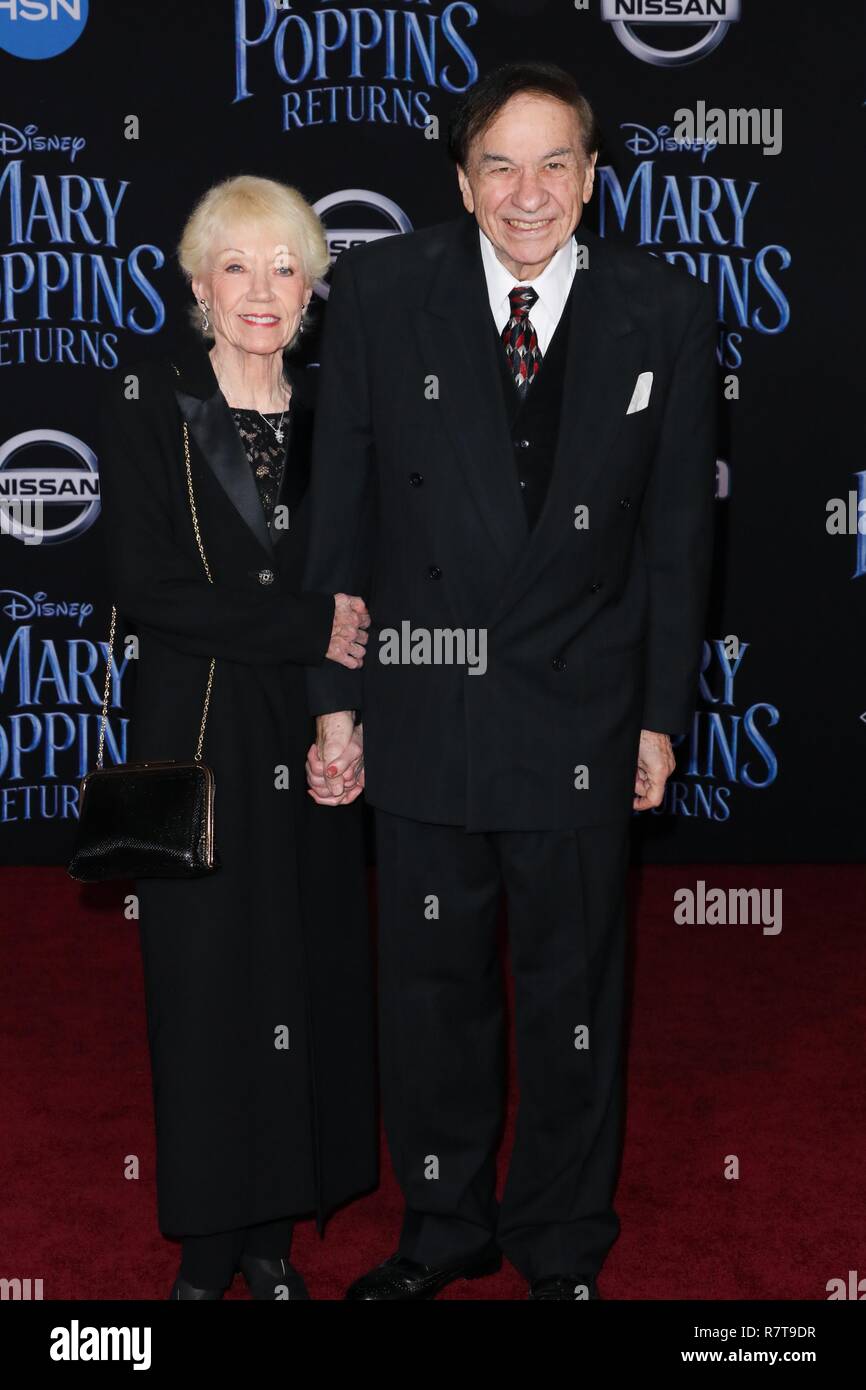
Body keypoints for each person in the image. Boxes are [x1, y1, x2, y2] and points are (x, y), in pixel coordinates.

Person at [303, 63, 717, 1300]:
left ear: (593, 177)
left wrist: (658, 715)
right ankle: (440, 1226)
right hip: (428, 699)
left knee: (571, 992)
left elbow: (678, 541)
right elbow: (344, 511)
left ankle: (557, 1236)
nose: (526, 193)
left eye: (553, 164)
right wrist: (337, 697)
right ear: (461, 178)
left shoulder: (665, 308)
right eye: (498, 164)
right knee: (430, 989)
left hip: (584, 706)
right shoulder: (383, 291)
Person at [98, 175, 377, 1300]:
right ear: (199, 286)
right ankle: (205, 1240)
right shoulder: (147, 403)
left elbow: (356, 580)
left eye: (284, 268)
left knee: (297, 975)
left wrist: (337, 718)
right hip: (188, 732)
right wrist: (307, 623)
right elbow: (142, 586)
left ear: (310, 289)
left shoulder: (331, 413)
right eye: (236, 267)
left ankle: (268, 1230)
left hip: (303, 726)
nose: (261, 291)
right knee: (200, 981)